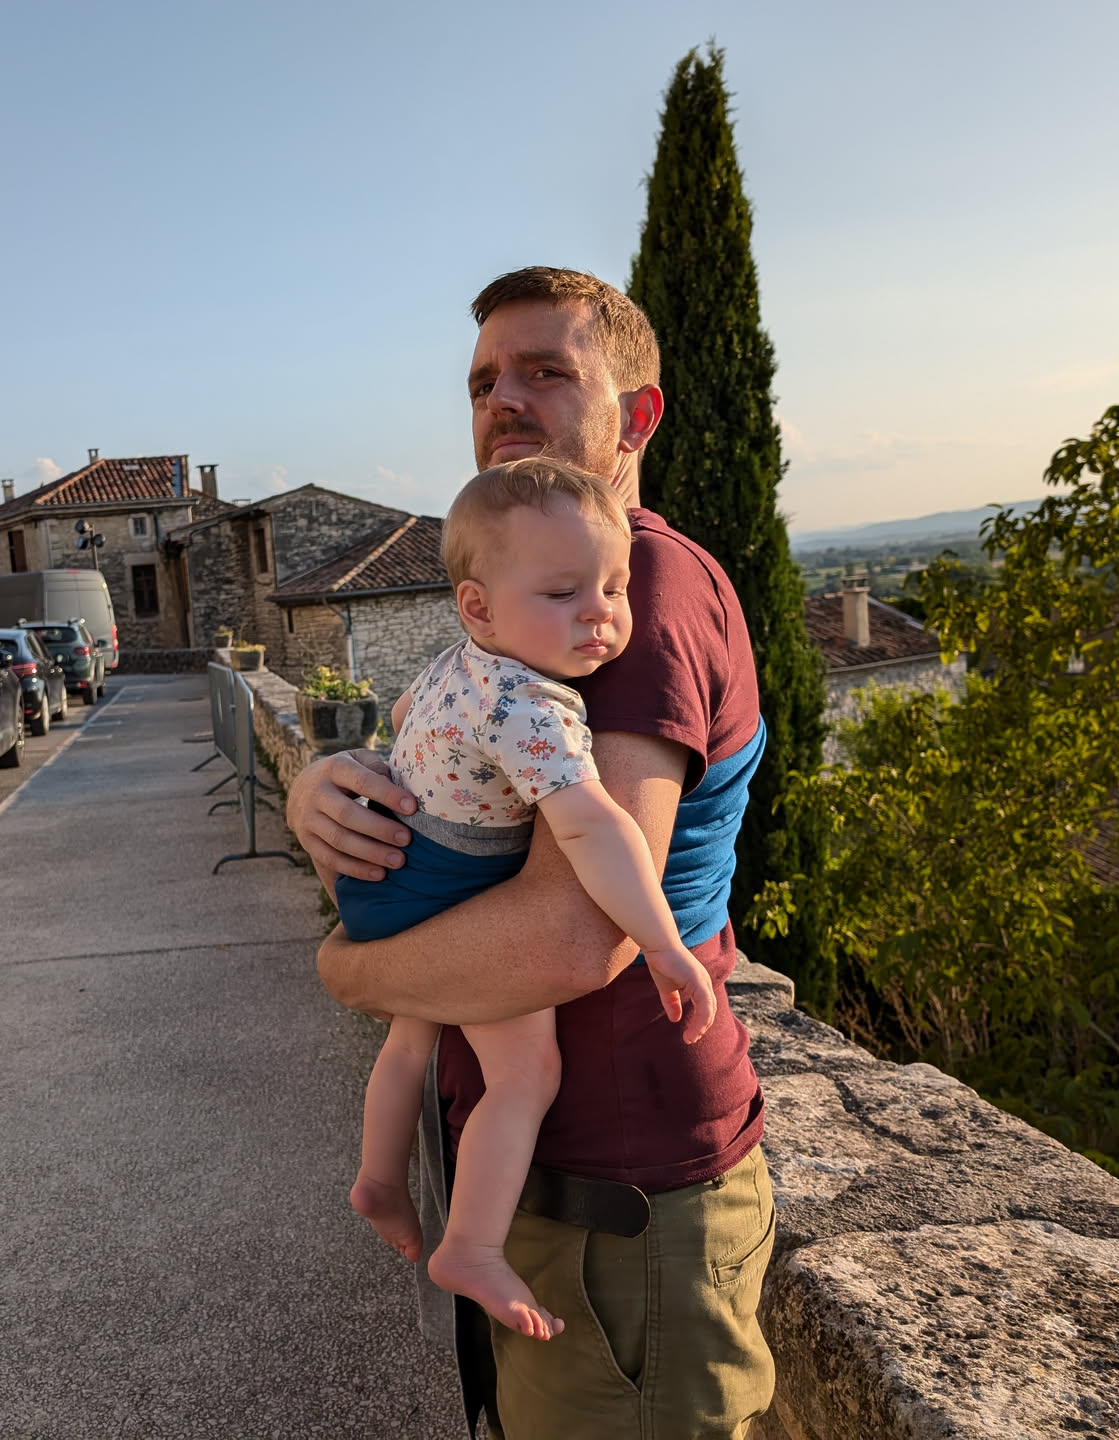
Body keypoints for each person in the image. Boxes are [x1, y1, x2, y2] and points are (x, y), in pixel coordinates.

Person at [287, 266, 776, 1440]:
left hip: (621, 1192)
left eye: (546, 372)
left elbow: (572, 937)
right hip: (558, 1190)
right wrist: (319, 791)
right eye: (481, 383)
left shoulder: (626, 594)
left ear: (634, 415)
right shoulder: (532, 593)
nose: (502, 399)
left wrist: (347, 971)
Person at [340, 457, 718, 1346]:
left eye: (615, 587)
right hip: (446, 892)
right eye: (561, 592)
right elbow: (592, 829)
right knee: (525, 1074)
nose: (599, 612)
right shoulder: (533, 705)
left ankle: (378, 1180)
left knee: (412, 1036)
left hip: (388, 882)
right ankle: (470, 1246)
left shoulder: (462, 662)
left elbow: (402, 713)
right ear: (477, 606)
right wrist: (662, 943)